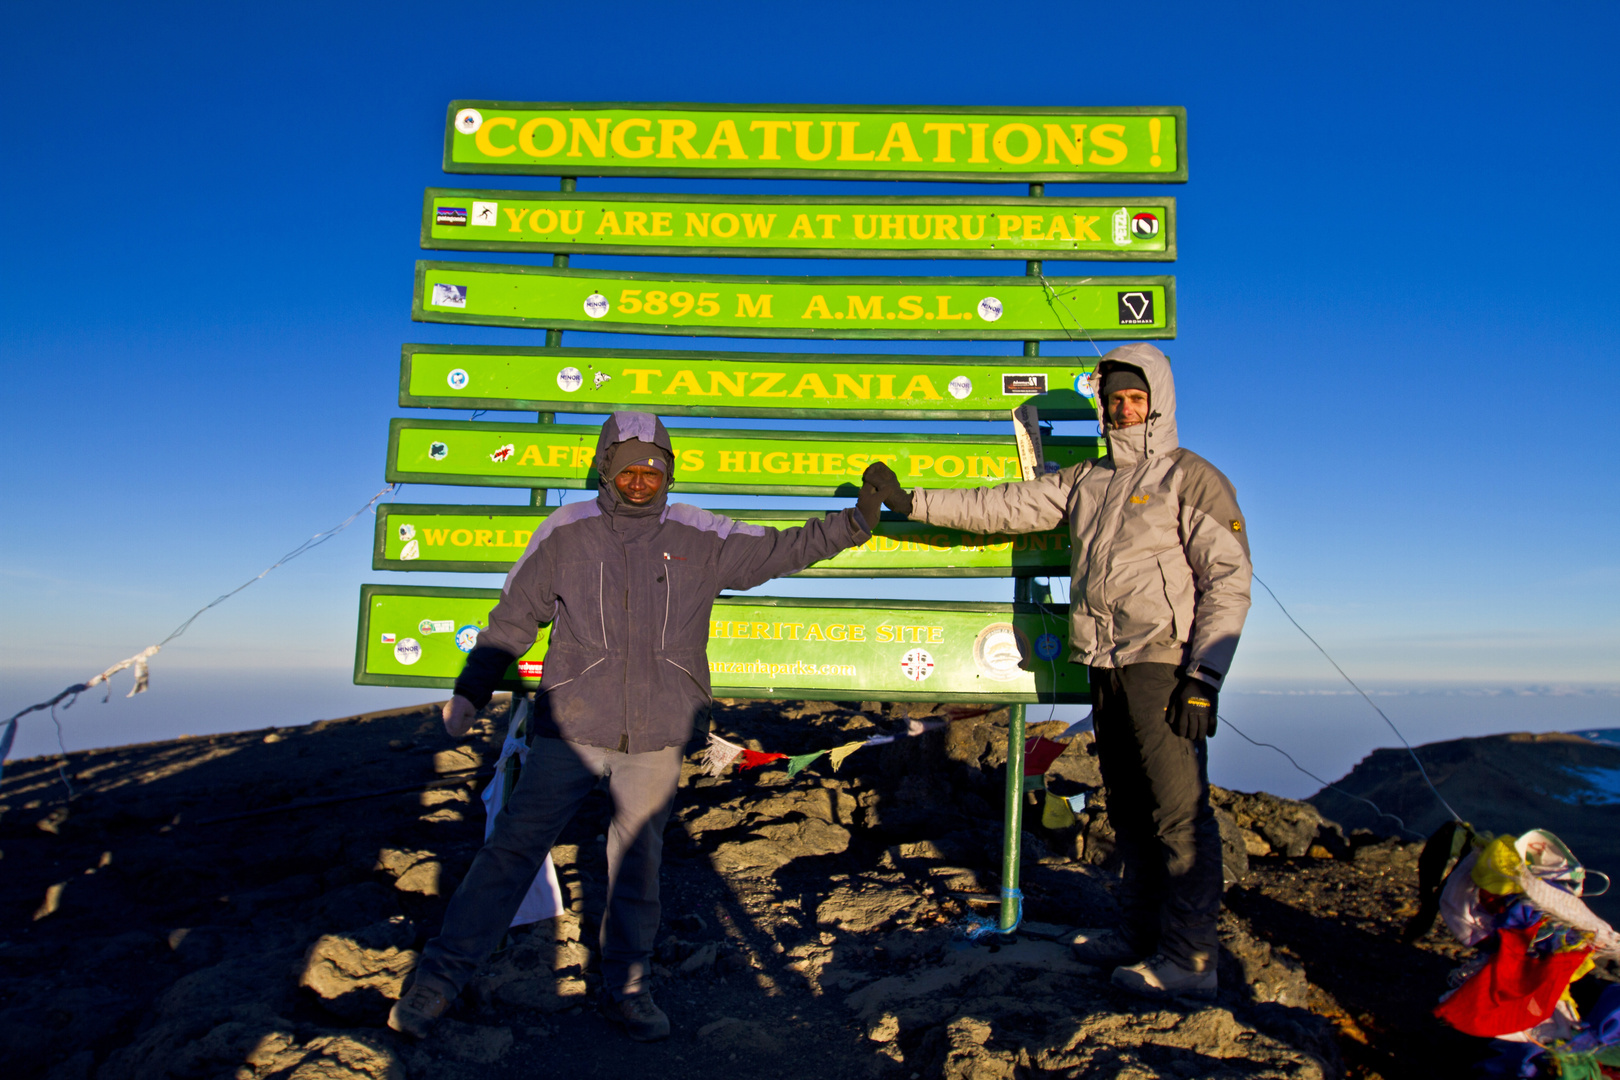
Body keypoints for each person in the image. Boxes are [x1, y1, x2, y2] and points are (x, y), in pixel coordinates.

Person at [390, 411, 880, 1041]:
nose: (642, 478)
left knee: (637, 865)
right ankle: (438, 981)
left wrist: (857, 520)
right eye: (629, 467)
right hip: (572, 727)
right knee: (511, 850)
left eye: (654, 467)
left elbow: (783, 548)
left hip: (659, 732)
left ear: (668, 472)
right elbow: (514, 615)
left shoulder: (701, 533)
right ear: (604, 468)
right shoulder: (566, 531)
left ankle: (628, 988)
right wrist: (473, 686)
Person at [863, 343, 1250, 1000]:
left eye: (1137, 398)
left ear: (1159, 402)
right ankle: (1137, 936)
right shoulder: (1087, 481)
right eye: (1116, 399)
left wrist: (1204, 678)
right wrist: (911, 502)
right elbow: (1004, 507)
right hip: (1105, 665)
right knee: (1129, 812)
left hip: (1164, 665)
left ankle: (1190, 960)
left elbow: (1229, 580)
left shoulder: (1193, 477)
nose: (1125, 410)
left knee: (1179, 816)